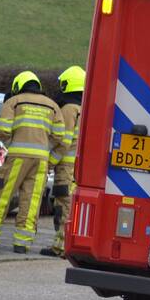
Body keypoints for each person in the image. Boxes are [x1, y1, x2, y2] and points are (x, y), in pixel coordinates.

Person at [0, 71, 66, 254]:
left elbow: (3, 130)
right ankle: (22, 243)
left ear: (18, 86)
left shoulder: (14, 102)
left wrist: (13, 145)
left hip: (17, 157)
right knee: (31, 200)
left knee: (3, 195)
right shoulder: (52, 106)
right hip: (41, 160)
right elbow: (59, 135)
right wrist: (44, 147)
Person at [40, 66, 85, 257]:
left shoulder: (69, 109)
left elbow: (63, 141)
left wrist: (49, 162)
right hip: (79, 165)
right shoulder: (85, 108)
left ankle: (61, 246)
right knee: (72, 205)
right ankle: (67, 245)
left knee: (64, 204)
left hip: (66, 166)